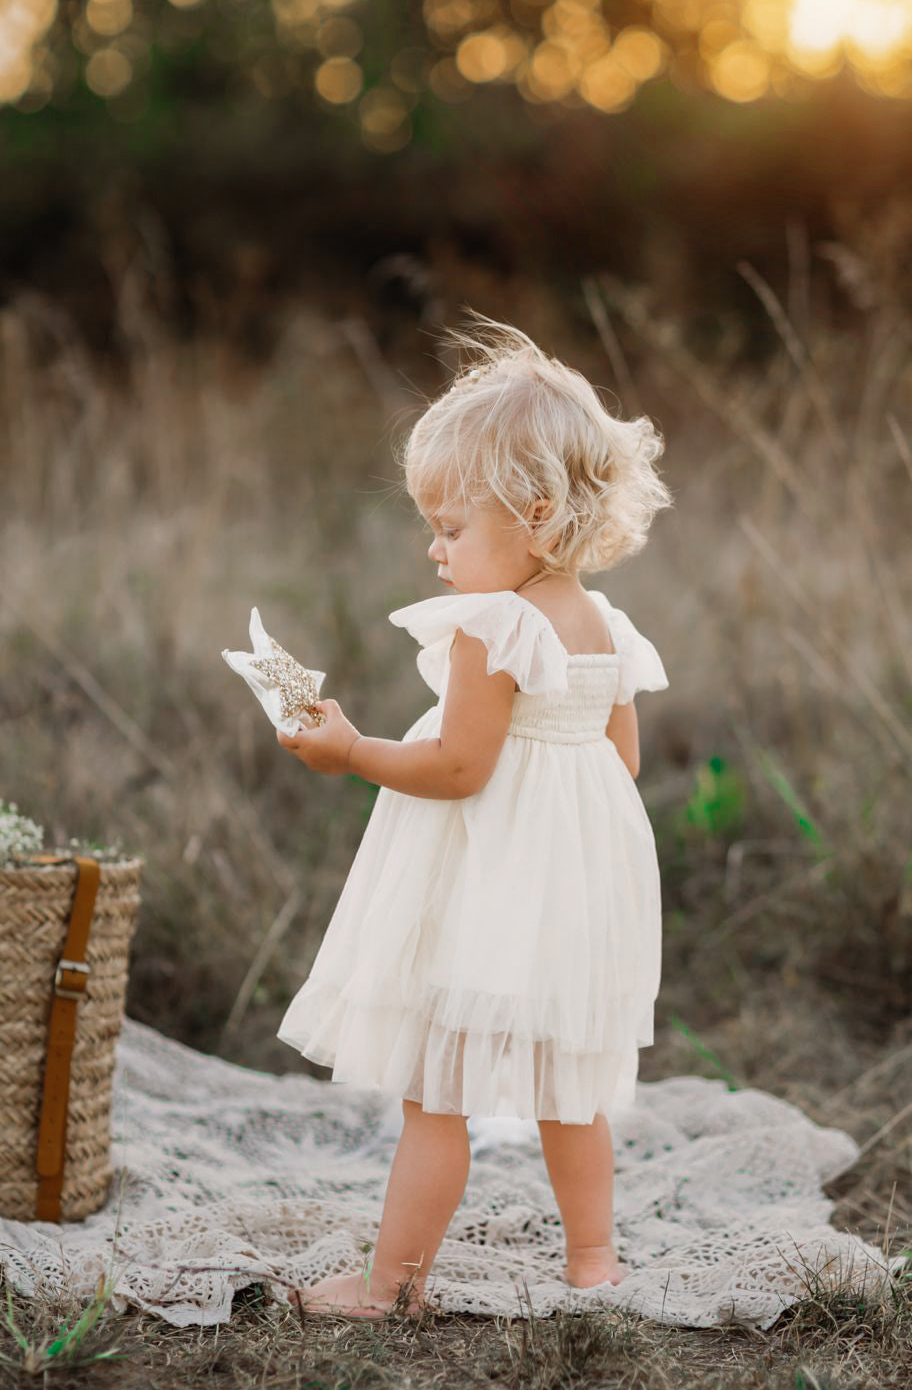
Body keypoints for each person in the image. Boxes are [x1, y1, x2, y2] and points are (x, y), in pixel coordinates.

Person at [273, 317, 673, 1319]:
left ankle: (390, 1284)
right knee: (568, 1090)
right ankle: (593, 1262)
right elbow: (620, 760)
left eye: (452, 527)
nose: (434, 546)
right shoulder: (607, 626)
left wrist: (350, 749)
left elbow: (458, 767)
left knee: (434, 1091)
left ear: (535, 517)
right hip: (574, 888)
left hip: (487, 888)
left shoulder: (491, 628)